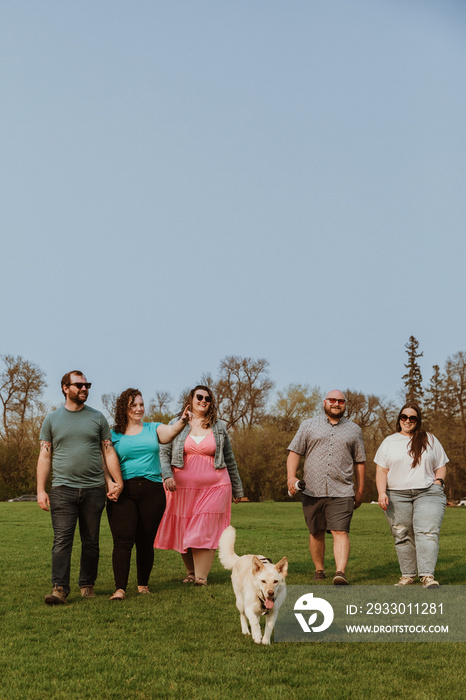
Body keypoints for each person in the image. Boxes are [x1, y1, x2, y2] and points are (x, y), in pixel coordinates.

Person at [37, 370, 124, 605]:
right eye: (79, 385)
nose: (85, 389)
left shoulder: (97, 418)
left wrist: (118, 481)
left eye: (87, 385)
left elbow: (108, 450)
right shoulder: (52, 420)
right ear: (65, 388)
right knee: (62, 541)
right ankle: (59, 589)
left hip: (94, 489)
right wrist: (40, 489)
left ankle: (87, 585)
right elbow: (45, 456)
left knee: (91, 541)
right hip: (62, 489)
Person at [107, 388, 192, 600]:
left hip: (152, 491)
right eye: (133, 405)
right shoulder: (113, 433)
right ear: (124, 408)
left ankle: (143, 585)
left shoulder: (153, 428)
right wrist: (110, 484)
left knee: (145, 540)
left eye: (141, 404)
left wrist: (182, 421)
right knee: (123, 540)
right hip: (123, 492)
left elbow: (171, 432)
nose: (138, 409)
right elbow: (105, 462)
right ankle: (120, 589)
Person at [155, 385, 244, 586]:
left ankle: (202, 577)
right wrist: (167, 475)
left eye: (208, 398)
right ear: (191, 399)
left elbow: (229, 458)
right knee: (184, 529)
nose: (204, 401)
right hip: (180, 488)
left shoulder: (218, 426)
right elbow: (164, 453)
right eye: (200, 397)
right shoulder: (175, 423)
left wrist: (237, 489)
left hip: (216, 486)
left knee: (203, 528)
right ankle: (191, 572)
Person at [287, 389, 366, 585]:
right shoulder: (308, 425)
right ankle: (319, 569)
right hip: (312, 489)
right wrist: (290, 477)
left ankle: (340, 572)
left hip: (342, 490)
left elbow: (360, 461)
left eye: (340, 401)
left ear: (345, 404)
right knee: (316, 532)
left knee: (341, 531)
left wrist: (361, 490)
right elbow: (295, 452)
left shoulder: (354, 430)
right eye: (332, 400)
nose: (336, 403)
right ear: (324, 402)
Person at [375, 402, 448, 588]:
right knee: (402, 534)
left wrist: (439, 481)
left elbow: (441, 465)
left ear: (417, 420)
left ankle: (427, 576)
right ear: (399, 419)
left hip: (428, 493)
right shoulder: (389, 442)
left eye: (412, 418)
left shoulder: (429, 439)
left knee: (427, 532)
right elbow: (381, 470)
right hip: (396, 495)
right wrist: (382, 492)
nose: (407, 421)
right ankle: (407, 575)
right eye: (404, 417)